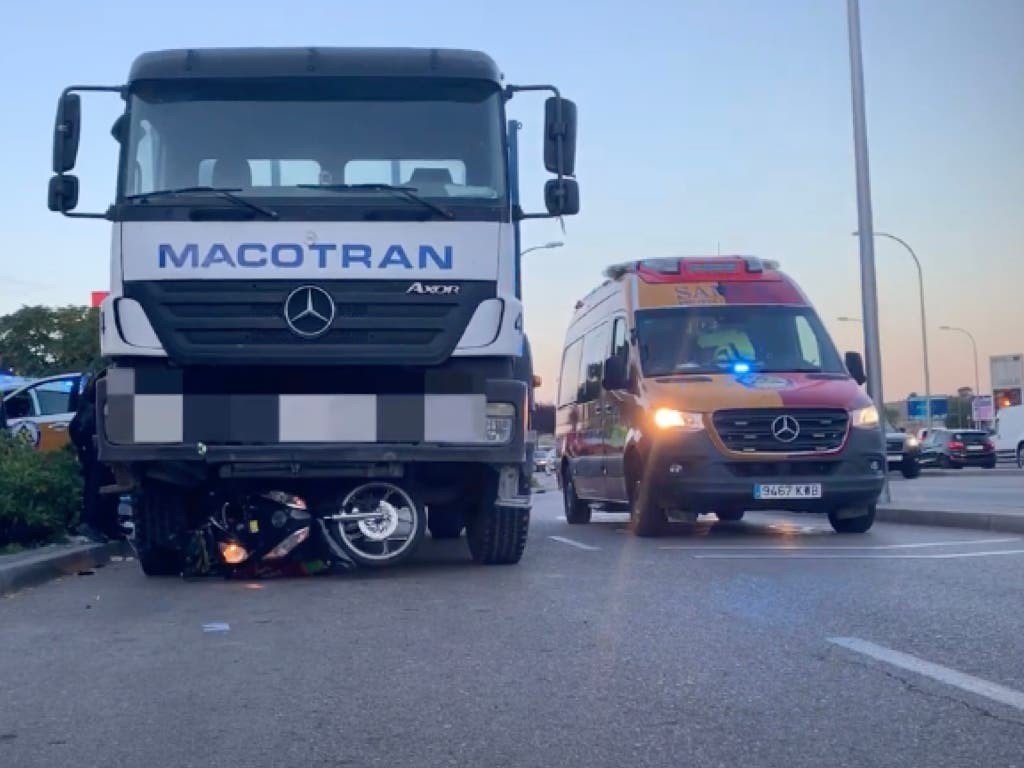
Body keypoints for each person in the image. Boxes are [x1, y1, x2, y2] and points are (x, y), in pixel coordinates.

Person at [68, 369, 123, 542]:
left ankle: (109, 524)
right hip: (91, 432)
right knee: (96, 480)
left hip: (99, 432)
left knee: (110, 478)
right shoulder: (109, 376)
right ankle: (90, 522)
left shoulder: (112, 374)